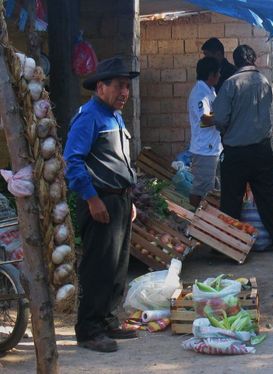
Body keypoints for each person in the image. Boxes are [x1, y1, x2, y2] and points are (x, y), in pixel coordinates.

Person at [64, 57, 139, 353]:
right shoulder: (89, 117)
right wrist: (91, 198)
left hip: (119, 200)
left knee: (117, 266)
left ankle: (108, 320)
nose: (124, 92)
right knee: (97, 267)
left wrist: (128, 197)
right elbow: (73, 161)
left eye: (127, 86)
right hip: (99, 201)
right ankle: (88, 330)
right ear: (101, 86)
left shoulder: (115, 115)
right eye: (119, 85)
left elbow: (117, 161)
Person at [212, 44, 273, 253]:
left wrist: (227, 126)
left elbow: (219, 118)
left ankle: (230, 246)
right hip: (262, 149)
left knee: (231, 200)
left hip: (236, 151)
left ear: (236, 62)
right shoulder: (265, 82)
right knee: (270, 197)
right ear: (253, 59)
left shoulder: (230, 84)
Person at [187, 57, 222, 207]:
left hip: (214, 148)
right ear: (211, 75)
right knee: (201, 189)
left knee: (213, 188)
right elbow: (205, 119)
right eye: (218, 73)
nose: (219, 76)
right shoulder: (199, 94)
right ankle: (195, 220)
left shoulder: (210, 91)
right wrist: (225, 115)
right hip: (204, 150)